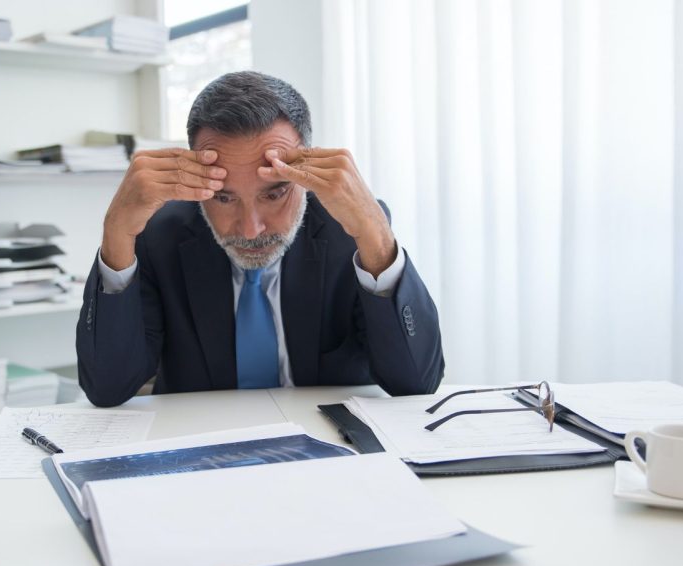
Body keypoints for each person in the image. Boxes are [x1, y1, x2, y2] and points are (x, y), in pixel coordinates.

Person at [77, 71, 444, 407]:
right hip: (199, 449)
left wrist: (376, 235)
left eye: (274, 194)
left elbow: (415, 384)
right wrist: (116, 234)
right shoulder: (159, 233)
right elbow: (107, 389)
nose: (251, 229)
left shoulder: (351, 228)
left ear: (307, 170)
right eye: (223, 197)